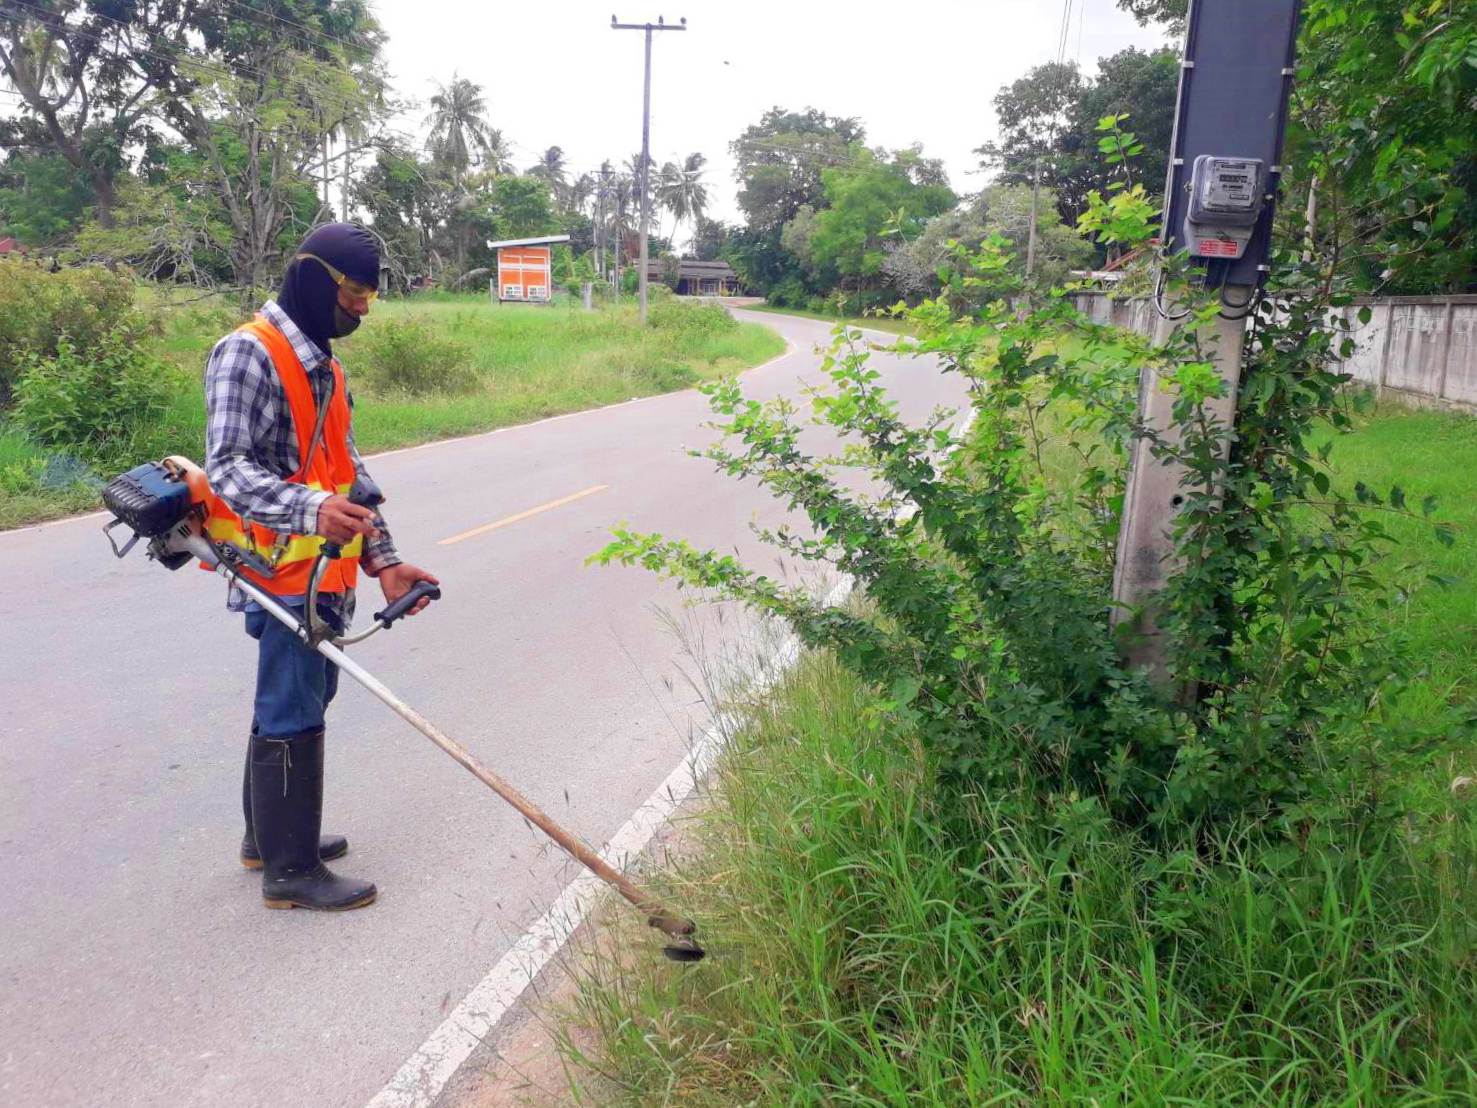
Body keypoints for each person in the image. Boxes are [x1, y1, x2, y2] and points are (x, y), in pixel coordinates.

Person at [203, 222, 438, 911]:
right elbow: (225, 469)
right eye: (355, 291)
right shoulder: (247, 352)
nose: (363, 307)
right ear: (314, 279)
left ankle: (265, 839)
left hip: (325, 572)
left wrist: (385, 560)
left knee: (303, 696)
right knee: (292, 704)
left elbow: (349, 472)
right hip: (279, 567)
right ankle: (291, 871)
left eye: (369, 295)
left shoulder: (325, 366)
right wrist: (311, 511)